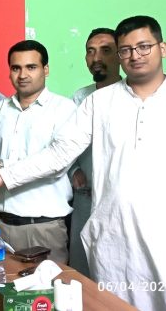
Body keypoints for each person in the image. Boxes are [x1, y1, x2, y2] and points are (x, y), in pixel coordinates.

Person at [0, 16, 166, 310]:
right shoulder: (98, 102)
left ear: (163, 48)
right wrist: (6, 175)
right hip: (113, 242)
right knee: (110, 304)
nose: (135, 55)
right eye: (126, 50)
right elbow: (59, 153)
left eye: (144, 46)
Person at [0, 40, 76, 263]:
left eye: (31, 67)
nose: (22, 75)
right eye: (16, 68)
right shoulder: (2, 107)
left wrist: (1, 168)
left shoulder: (64, 109)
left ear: (45, 70)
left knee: (45, 286)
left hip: (41, 228)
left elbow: (55, 164)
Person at [68, 28, 121, 277]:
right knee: (81, 270)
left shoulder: (131, 96)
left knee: (115, 271)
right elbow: (63, 144)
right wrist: (74, 170)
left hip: (117, 201)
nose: (96, 58)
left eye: (105, 50)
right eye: (90, 51)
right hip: (85, 197)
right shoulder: (80, 97)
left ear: (119, 55)